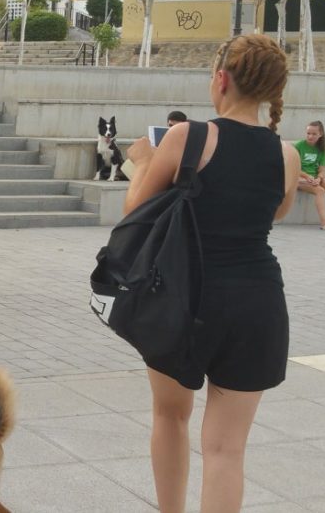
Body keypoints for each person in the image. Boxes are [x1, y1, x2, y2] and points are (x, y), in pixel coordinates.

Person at [123, 34, 300, 513]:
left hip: (185, 297)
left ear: (221, 79)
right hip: (258, 305)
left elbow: (136, 210)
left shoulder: (188, 137)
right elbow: (277, 211)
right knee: (227, 450)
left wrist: (140, 160)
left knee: (170, 416)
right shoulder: (286, 154)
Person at [295, 120, 325, 231]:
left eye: (314, 134)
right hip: (299, 178)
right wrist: (307, 176)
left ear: (320, 134)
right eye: (308, 133)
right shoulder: (298, 146)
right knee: (320, 191)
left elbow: (322, 170)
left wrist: (319, 178)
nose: (310, 136)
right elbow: (293, 168)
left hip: (314, 178)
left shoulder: (321, 149)